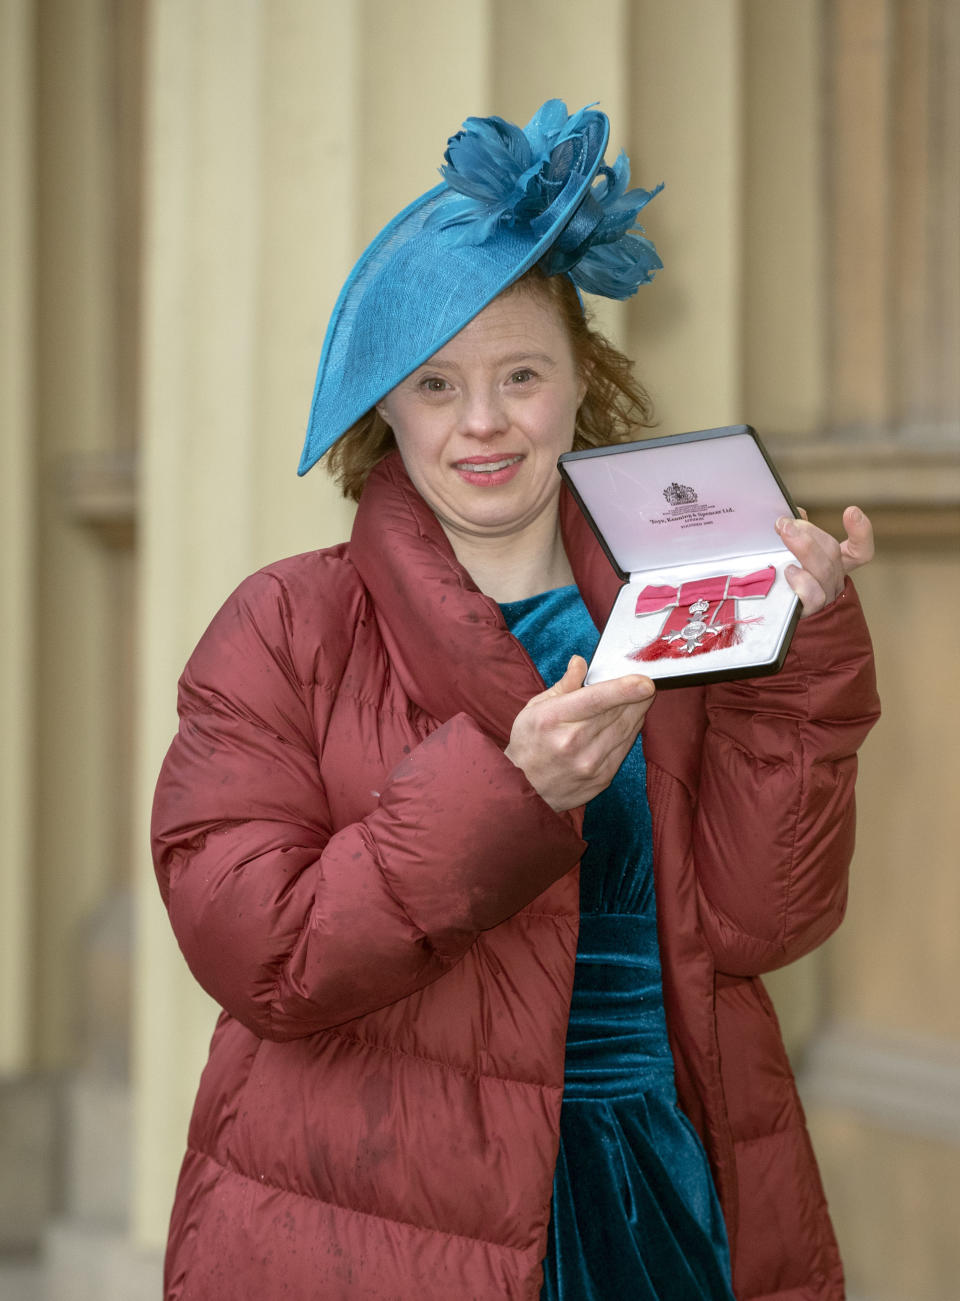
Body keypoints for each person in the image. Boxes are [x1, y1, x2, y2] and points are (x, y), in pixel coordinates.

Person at [152, 101, 879, 1301]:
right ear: (386, 407)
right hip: (382, 1216)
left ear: (581, 381)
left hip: (657, 1193)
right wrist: (508, 794)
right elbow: (259, 948)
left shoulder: (679, 610)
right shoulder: (284, 624)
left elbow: (763, 925)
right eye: (436, 383)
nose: (482, 422)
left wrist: (798, 662)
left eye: (521, 375)